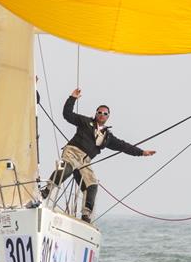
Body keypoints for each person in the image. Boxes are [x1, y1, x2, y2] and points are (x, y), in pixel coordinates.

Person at [41, 88, 156, 223]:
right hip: (72, 152)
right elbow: (67, 115)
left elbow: (124, 146)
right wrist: (72, 98)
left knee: (92, 185)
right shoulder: (85, 122)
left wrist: (141, 152)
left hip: (85, 161)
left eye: (105, 113)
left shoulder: (108, 137)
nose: (101, 114)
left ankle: (86, 215)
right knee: (65, 169)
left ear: (108, 117)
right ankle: (46, 190)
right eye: (99, 112)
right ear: (96, 114)